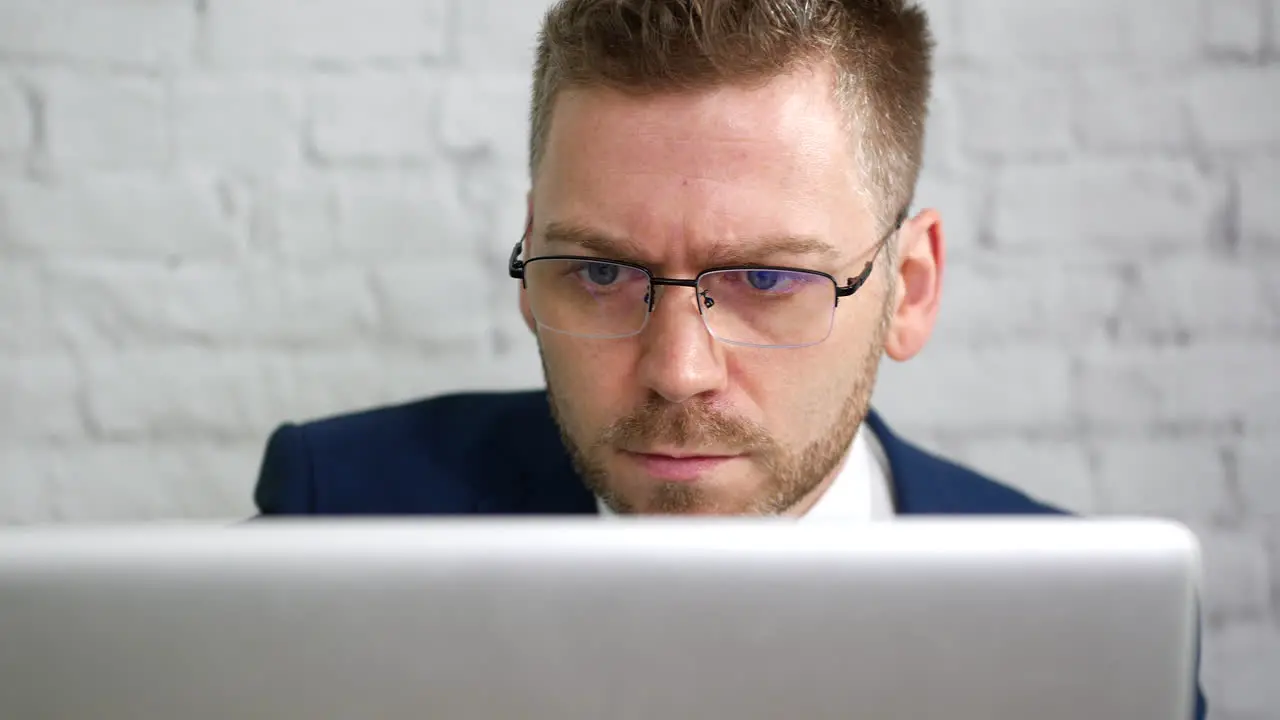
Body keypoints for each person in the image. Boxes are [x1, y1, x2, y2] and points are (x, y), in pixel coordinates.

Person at [253, 2, 1205, 715]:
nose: (679, 369)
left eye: (765, 279)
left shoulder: (1091, 633)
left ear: (908, 289)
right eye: (597, 270)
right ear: (528, 262)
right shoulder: (335, 511)